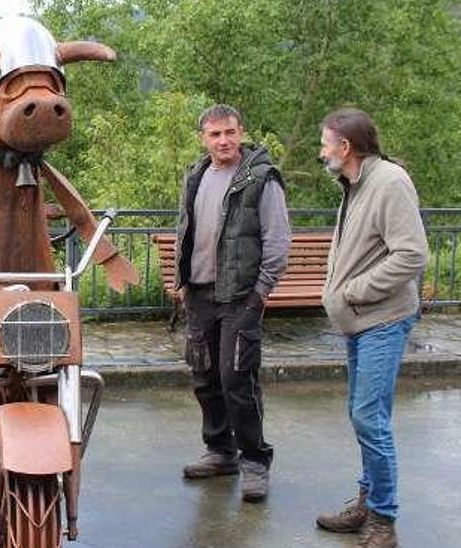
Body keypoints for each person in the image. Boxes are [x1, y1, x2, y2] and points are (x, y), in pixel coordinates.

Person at [314, 108, 428, 548]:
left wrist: (354, 292)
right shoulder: (356, 184)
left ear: (345, 147)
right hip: (359, 323)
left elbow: (412, 254)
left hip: (382, 319)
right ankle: (367, 500)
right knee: (365, 417)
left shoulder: (390, 182)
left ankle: (384, 520)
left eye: (325, 142)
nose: (321, 150)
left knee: (369, 418)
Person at [174, 104, 290, 503]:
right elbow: (185, 231)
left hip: (240, 297)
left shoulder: (261, 178)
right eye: (214, 134)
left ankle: (255, 461)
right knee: (205, 378)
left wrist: (259, 293)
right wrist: (182, 283)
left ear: (241, 133)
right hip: (200, 296)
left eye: (230, 133)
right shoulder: (196, 175)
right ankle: (221, 452)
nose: (223, 141)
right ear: (203, 138)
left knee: (237, 379)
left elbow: (277, 242)